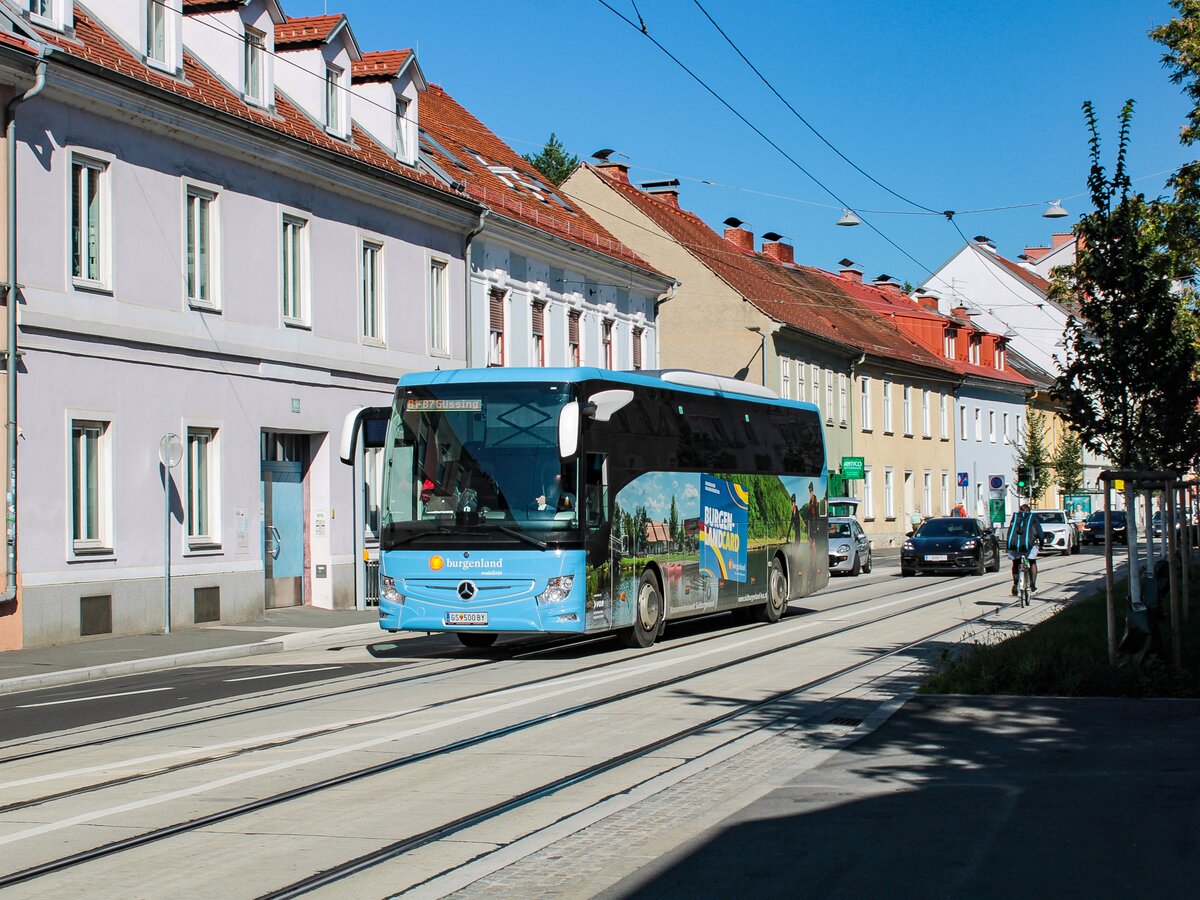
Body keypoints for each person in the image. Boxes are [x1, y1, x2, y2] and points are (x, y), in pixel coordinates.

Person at [1007, 502, 1045, 595]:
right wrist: (1042, 543)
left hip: (1015, 545)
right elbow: (1039, 532)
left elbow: (1010, 531)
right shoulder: (1033, 518)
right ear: (1029, 511)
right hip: (1030, 545)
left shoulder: (1015, 518)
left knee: (1015, 563)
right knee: (1032, 562)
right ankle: (1033, 585)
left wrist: (1008, 545)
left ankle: (1016, 583)